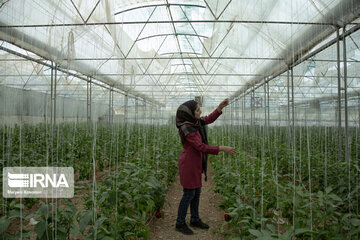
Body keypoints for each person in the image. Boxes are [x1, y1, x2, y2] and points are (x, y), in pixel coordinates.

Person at [175, 98, 236, 235]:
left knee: (196, 192)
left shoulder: (194, 123)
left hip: (195, 163)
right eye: (197, 109)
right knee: (189, 194)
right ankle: (180, 222)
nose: (200, 111)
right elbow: (201, 146)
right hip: (188, 165)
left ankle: (195, 219)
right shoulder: (187, 128)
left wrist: (220, 107)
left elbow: (208, 119)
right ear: (190, 113)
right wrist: (221, 148)